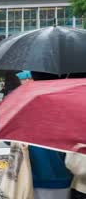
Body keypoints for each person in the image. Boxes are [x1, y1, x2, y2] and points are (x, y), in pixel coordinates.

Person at [27, 71, 73, 199]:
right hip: (63, 176)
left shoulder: (26, 102)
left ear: (33, 77)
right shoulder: (68, 103)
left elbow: (9, 139)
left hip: (32, 176)